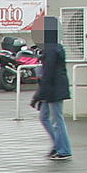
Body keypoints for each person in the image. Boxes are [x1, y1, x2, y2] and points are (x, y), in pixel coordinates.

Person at [32, 16, 72, 161]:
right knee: (46, 117)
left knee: (56, 119)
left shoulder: (50, 48)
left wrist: (39, 94)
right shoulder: (54, 46)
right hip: (54, 88)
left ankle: (63, 149)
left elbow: (48, 73)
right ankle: (59, 145)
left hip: (53, 89)